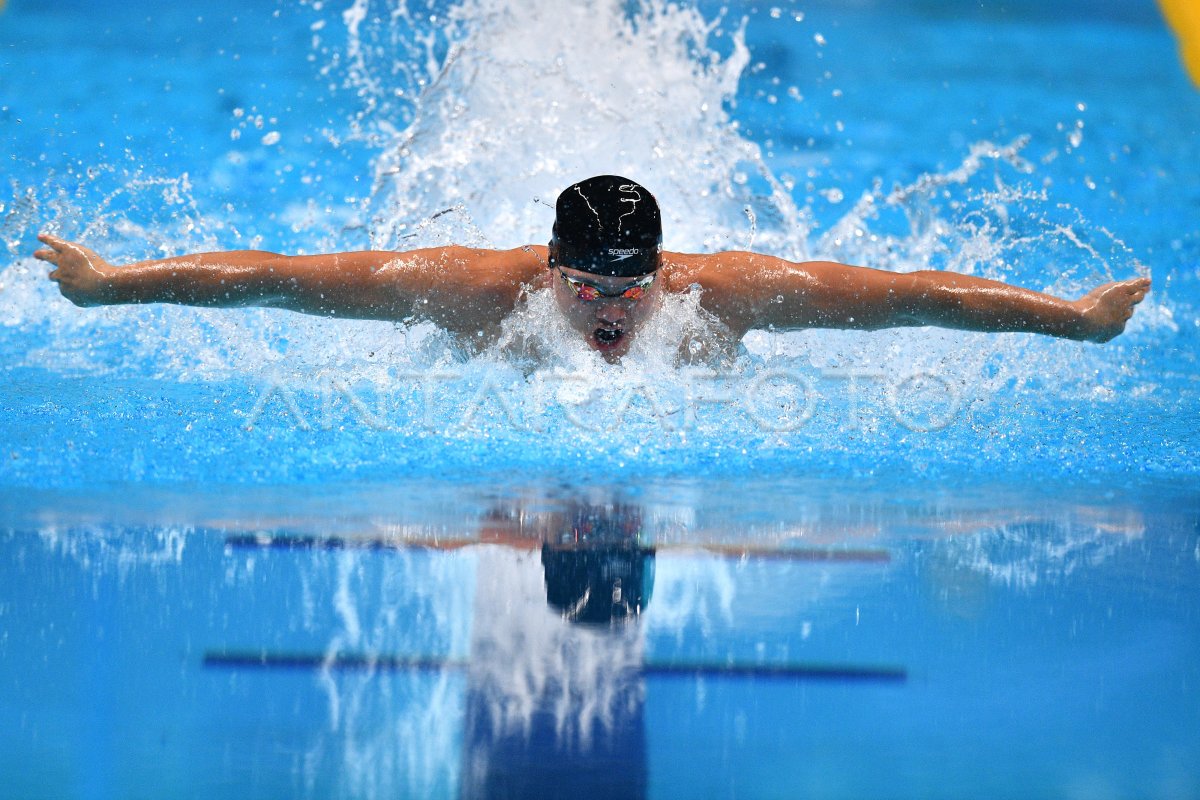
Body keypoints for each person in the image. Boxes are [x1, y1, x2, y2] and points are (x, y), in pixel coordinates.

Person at [35, 174, 1150, 362]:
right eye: (590, 288)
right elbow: (275, 273)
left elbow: (915, 299)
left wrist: (1077, 319)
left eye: (632, 286)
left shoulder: (730, 290)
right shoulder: (475, 286)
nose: (613, 312)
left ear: (663, 270)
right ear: (554, 268)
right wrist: (111, 282)